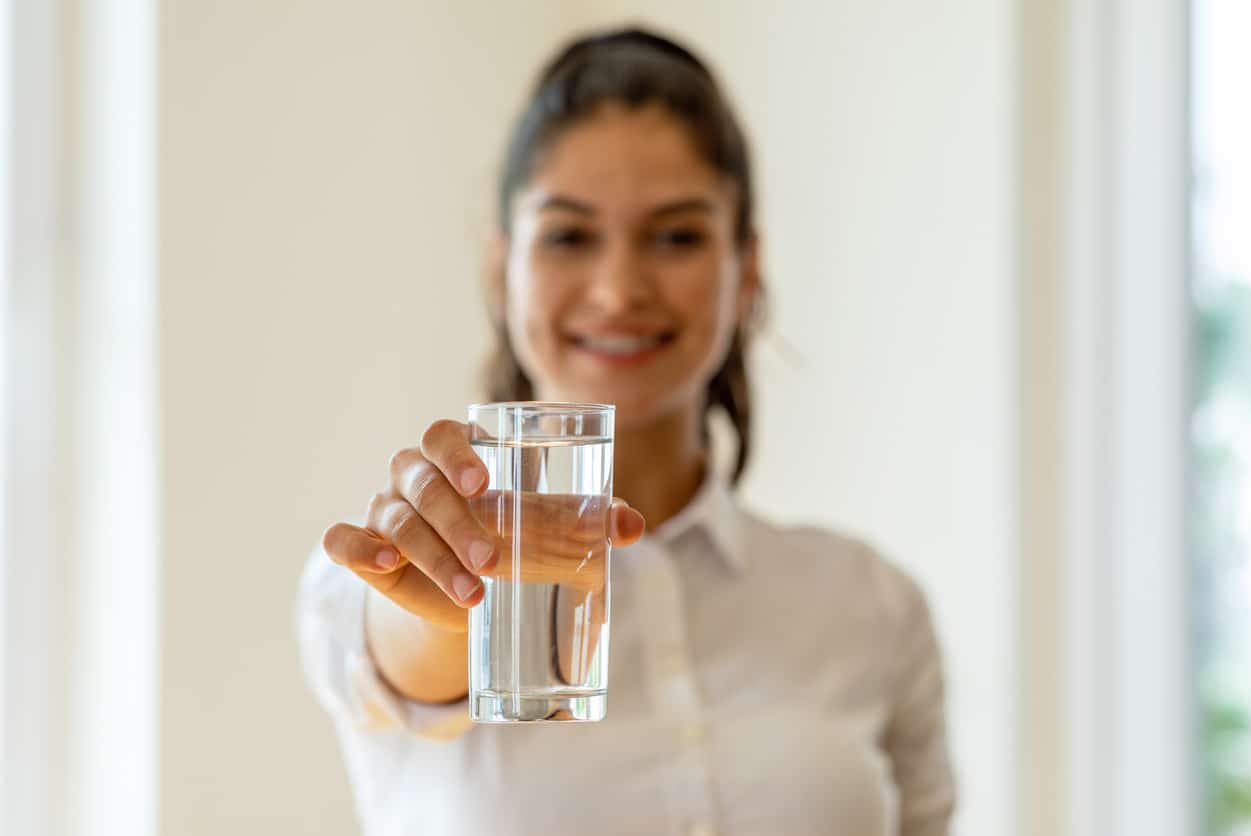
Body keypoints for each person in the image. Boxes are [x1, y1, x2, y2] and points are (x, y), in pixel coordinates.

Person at [297, 26, 955, 836]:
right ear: (501, 270)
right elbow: (415, 648)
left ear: (745, 270)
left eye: (676, 236)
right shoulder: (384, 568)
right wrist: (458, 591)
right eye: (570, 236)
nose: (618, 290)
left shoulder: (870, 606)